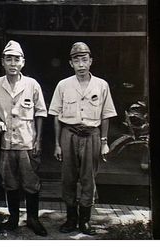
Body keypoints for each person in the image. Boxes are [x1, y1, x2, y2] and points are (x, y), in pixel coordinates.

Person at [48, 42, 117, 235]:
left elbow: (106, 115)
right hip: (68, 135)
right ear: (71, 63)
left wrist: (104, 142)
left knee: (88, 178)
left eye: (84, 60)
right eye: (76, 60)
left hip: (92, 135)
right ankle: (71, 219)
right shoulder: (63, 85)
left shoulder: (101, 85)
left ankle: (84, 221)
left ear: (91, 61)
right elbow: (55, 115)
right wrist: (57, 144)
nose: (81, 64)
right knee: (68, 178)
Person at [0, 40, 48, 236]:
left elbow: (41, 113)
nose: (12, 63)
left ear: (23, 62)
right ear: (2, 62)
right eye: (8, 59)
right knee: (9, 181)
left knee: (31, 182)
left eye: (16, 59)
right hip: (3, 143)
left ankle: (33, 219)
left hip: (27, 142)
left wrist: (38, 140)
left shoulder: (32, 84)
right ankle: (12, 219)